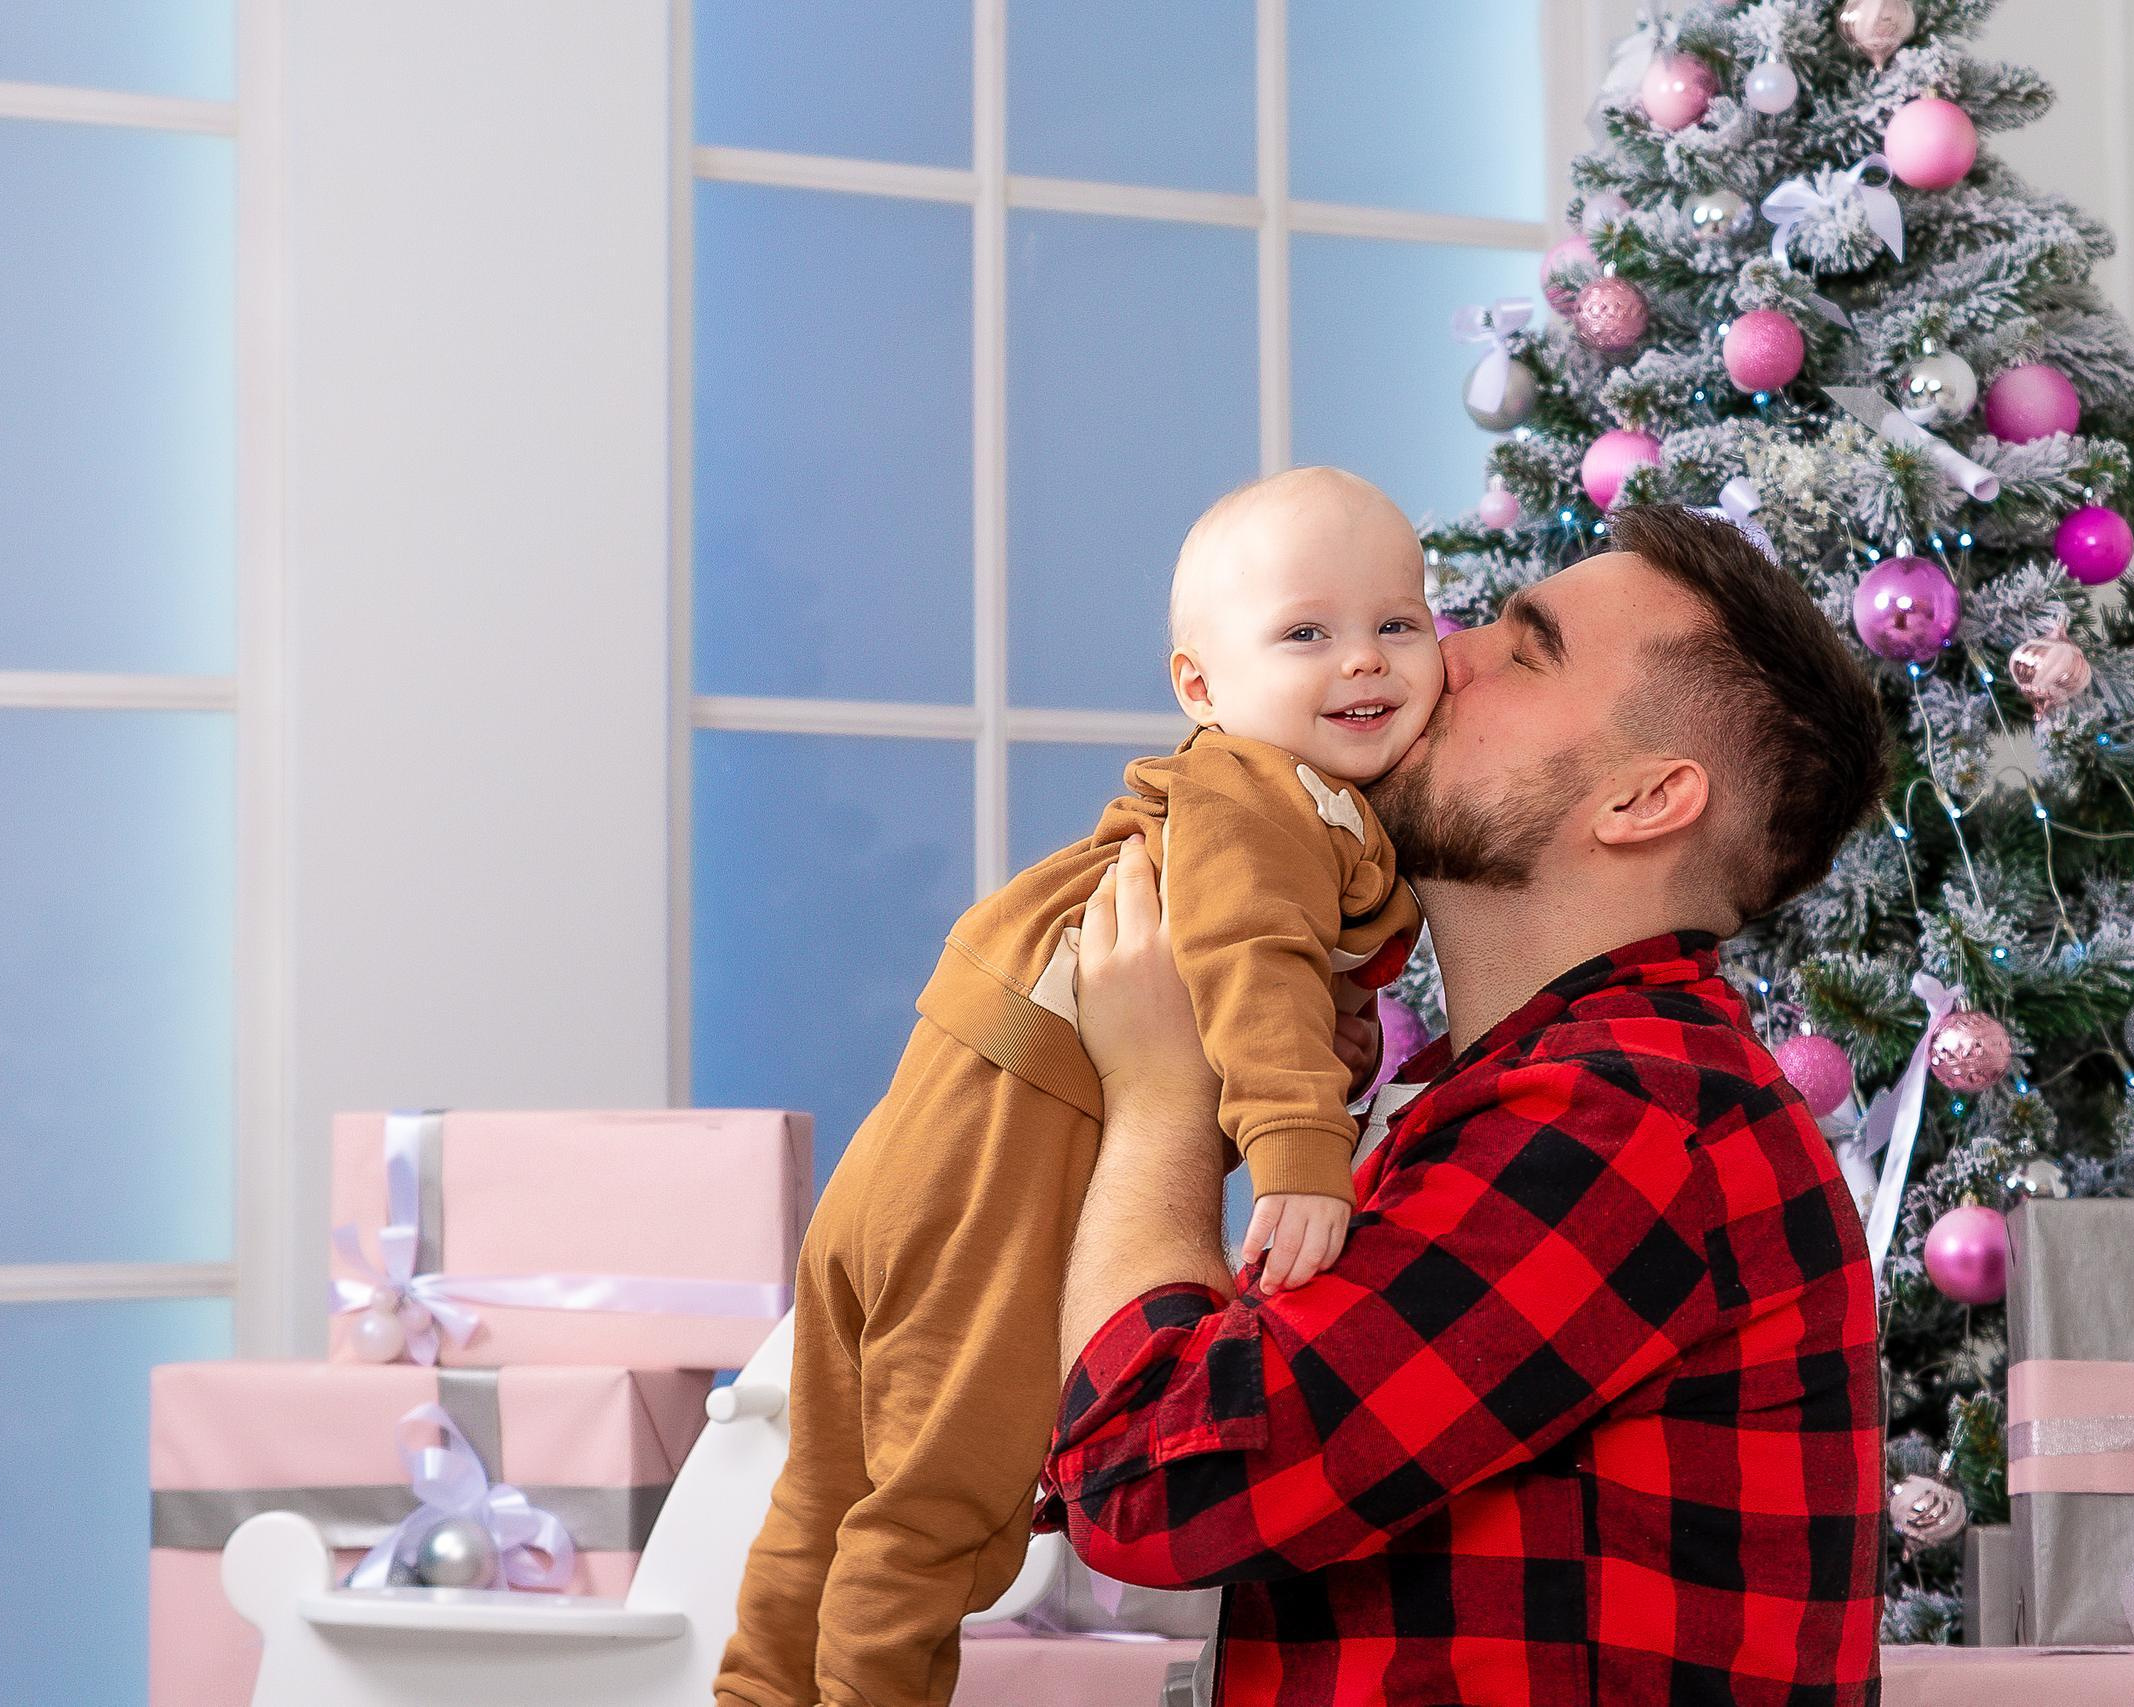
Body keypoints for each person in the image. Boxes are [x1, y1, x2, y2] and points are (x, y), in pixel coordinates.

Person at [1045, 504, 1894, 1706]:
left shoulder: (1618, 1125)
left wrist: (1164, 1101)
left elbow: (1154, 1486)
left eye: (1524, 647)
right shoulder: (1503, 1104)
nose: (1442, 652)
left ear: (1645, 800)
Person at [716, 467, 1438, 1707]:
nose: (1363, 663)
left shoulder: (1283, 802)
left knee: (829, 1490)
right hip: (999, 1166)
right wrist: (1298, 1148)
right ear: (1201, 687)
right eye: (1307, 633)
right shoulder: (1261, 792)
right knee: (949, 1503)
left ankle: (761, 1691)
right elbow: (1247, 962)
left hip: (918, 1147)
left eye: (1400, 625)